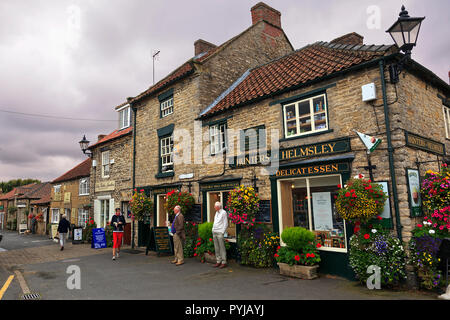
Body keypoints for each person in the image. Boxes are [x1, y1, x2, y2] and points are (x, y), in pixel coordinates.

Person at [212, 201, 228, 268]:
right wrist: (213, 229)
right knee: (216, 248)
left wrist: (222, 232)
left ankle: (224, 262)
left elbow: (225, 223)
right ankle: (218, 261)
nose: (214, 207)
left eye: (215, 206)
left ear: (218, 207)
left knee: (222, 247)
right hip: (215, 231)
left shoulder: (223, 212)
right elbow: (215, 222)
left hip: (220, 232)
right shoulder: (216, 212)